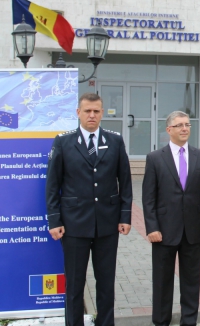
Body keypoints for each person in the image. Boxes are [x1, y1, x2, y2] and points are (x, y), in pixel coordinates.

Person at [45, 92, 133, 326]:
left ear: (102, 113)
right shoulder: (63, 142)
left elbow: (124, 181)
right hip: (74, 224)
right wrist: (54, 220)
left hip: (107, 223)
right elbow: (52, 185)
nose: (92, 115)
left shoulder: (114, 141)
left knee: (106, 283)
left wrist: (125, 216)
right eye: (87, 111)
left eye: (96, 111)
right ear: (78, 113)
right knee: (74, 285)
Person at [142, 111, 200, 326]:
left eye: (187, 124)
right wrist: (151, 227)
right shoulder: (155, 158)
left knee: (191, 282)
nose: (185, 128)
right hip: (164, 231)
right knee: (162, 282)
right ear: (169, 130)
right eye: (179, 125)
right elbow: (148, 198)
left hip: (193, 230)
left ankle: (189, 322)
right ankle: (161, 322)